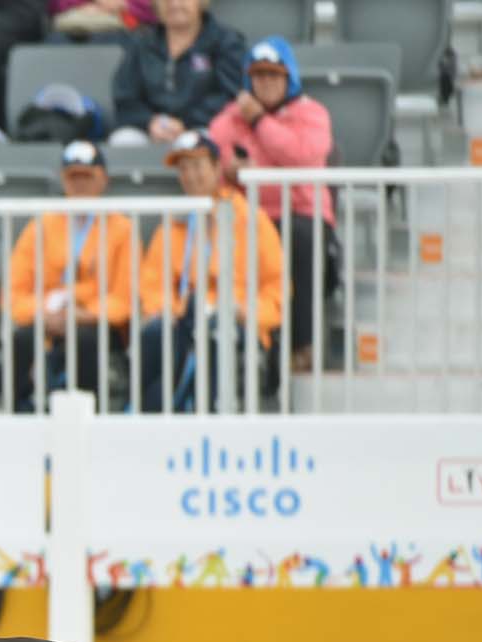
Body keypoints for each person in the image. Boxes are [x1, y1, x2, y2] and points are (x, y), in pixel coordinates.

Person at [208, 36, 336, 369]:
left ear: (288, 77)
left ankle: (300, 346)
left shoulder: (312, 113)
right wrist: (230, 168)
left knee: (299, 240)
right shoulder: (231, 116)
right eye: (258, 75)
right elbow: (213, 150)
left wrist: (259, 124)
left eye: (273, 75)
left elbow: (300, 155)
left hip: (299, 216)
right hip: (248, 219)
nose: (265, 82)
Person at [137, 130, 282, 412]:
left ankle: (209, 419)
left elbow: (275, 289)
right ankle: (149, 418)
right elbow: (153, 285)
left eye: (198, 165)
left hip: (235, 321)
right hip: (182, 320)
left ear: (217, 168)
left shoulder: (252, 220)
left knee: (216, 334)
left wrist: (245, 310)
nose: (190, 175)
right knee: (156, 333)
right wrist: (172, 310)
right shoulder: (172, 224)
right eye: (183, 168)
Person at [6, 140, 134, 410]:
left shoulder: (122, 229)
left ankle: (90, 415)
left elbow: (123, 297)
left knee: (86, 339)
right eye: (73, 177)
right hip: (47, 317)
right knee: (21, 338)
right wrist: (45, 312)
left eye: (87, 177)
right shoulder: (40, 226)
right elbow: (14, 293)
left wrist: (84, 313)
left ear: (103, 180)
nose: (80, 185)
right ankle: (20, 411)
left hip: (95, 321)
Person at [109, 0, 244, 145]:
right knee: (123, 140)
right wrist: (150, 121)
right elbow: (125, 96)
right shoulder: (142, 43)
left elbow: (231, 94)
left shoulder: (226, 42)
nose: (174, 3)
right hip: (151, 129)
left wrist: (186, 122)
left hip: (204, 127)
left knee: (191, 143)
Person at [47, 0, 152, 41]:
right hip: (73, 32)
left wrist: (124, 5)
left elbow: (155, 10)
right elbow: (54, 5)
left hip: (126, 27)